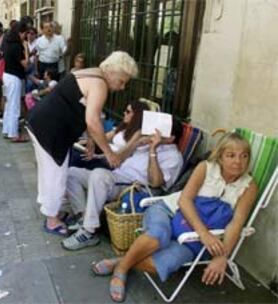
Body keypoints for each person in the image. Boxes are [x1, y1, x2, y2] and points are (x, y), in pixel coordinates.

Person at [92, 132, 257, 302]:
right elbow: (184, 200)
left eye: (244, 156)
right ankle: (121, 271)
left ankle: (121, 261)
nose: (238, 161)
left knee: (167, 262)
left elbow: (237, 222)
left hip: (192, 236)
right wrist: (204, 234)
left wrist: (221, 256)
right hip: (169, 209)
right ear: (220, 157)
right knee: (158, 236)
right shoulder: (206, 168)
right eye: (231, 155)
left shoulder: (248, 186)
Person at [26, 51, 138, 235]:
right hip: (50, 129)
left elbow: (89, 113)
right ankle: (52, 221)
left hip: (42, 123)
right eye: (122, 81)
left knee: (50, 171)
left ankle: (50, 210)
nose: (122, 87)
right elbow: (93, 121)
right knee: (56, 174)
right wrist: (109, 153)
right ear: (111, 72)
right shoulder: (100, 84)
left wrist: (93, 140)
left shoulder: (92, 73)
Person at [62, 118, 184, 248]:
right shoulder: (146, 144)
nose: (154, 132)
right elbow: (117, 160)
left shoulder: (173, 157)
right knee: (71, 173)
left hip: (133, 186)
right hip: (116, 176)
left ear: (171, 138)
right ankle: (83, 217)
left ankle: (88, 232)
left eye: (160, 130)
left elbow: (155, 183)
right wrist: (136, 143)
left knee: (99, 175)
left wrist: (153, 150)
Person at [69, 100, 149, 170]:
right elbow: (104, 138)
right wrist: (90, 141)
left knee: (75, 158)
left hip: (111, 161)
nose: (124, 113)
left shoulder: (138, 132)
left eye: (128, 111)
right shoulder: (123, 127)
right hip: (104, 154)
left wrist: (103, 155)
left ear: (137, 115)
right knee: (73, 151)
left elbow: (127, 150)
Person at [1, 20, 29, 142]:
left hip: (7, 75)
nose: (25, 36)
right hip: (14, 77)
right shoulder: (17, 46)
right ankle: (14, 134)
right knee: (14, 106)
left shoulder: (7, 42)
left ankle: (7, 130)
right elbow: (25, 64)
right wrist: (26, 49)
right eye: (24, 34)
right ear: (19, 33)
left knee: (9, 105)